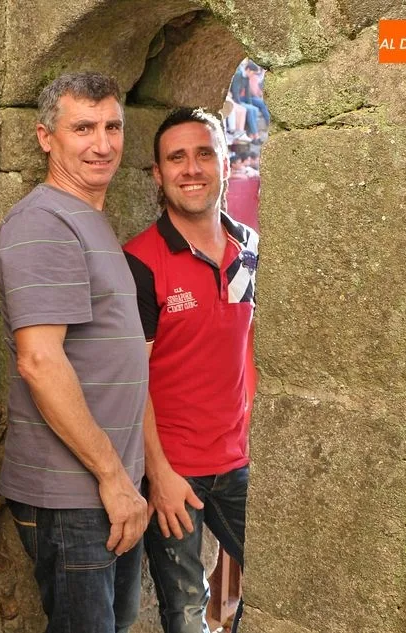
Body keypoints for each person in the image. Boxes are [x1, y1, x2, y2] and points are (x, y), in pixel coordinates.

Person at [0, 72, 148, 633]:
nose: (102, 144)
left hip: (108, 489)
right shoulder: (43, 223)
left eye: (112, 127)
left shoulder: (88, 219)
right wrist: (112, 477)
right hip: (75, 495)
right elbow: (39, 361)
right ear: (45, 137)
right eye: (83, 128)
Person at [123, 107, 258, 633]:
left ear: (225, 162)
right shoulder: (138, 261)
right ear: (158, 175)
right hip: (174, 469)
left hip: (242, 461)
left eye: (204, 153)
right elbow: (132, 380)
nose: (192, 168)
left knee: (278, 583)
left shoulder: (250, 249)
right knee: (184, 613)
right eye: (176, 158)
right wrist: (158, 474)